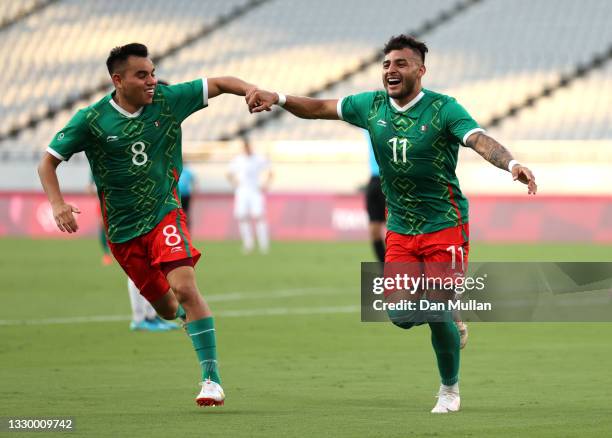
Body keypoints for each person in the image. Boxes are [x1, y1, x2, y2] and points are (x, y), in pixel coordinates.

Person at [247, 34, 537, 414]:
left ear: (420, 70)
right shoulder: (370, 105)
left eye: (400, 64)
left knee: (436, 310)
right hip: (400, 227)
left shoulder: (443, 109)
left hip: (445, 225)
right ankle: (450, 312)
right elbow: (318, 107)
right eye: (386, 64)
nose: (390, 70)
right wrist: (279, 98)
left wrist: (511, 164)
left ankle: (449, 391)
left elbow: (478, 139)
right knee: (399, 315)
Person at [38, 42, 259, 406]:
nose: (152, 81)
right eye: (143, 75)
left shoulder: (168, 101)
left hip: (164, 214)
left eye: (153, 72)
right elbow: (47, 162)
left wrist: (248, 89)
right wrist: (57, 203)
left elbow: (218, 83)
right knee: (169, 309)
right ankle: (188, 320)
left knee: (186, 289)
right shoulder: (91, 120)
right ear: (118, 80)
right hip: (124, 233)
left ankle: (211, 379)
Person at [226, 137, 272, 254]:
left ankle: (264, 245)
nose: (247, 149)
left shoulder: (258, 158)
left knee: (258, 216)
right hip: (242, 191)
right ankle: (248, 244)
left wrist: (266, 184)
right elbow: (229, 173)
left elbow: (270, 171)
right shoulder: (238, 159)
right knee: (242, 217)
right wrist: (235, 184)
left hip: (255, 190)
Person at [363, 130, 386, 262]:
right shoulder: (367, 120)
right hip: (374, 181)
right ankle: (384, 268)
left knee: (395, 231)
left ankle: (400, 269)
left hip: (391, 179)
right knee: (374, 230)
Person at [178, 163, 197, 227]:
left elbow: (194, 182)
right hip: (178, 195)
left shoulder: (187, 171)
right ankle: (181, 226)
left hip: (185, 195)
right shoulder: (177, 170)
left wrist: (194, 193)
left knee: (186, 212)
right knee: (179, 212)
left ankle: (187, 227)